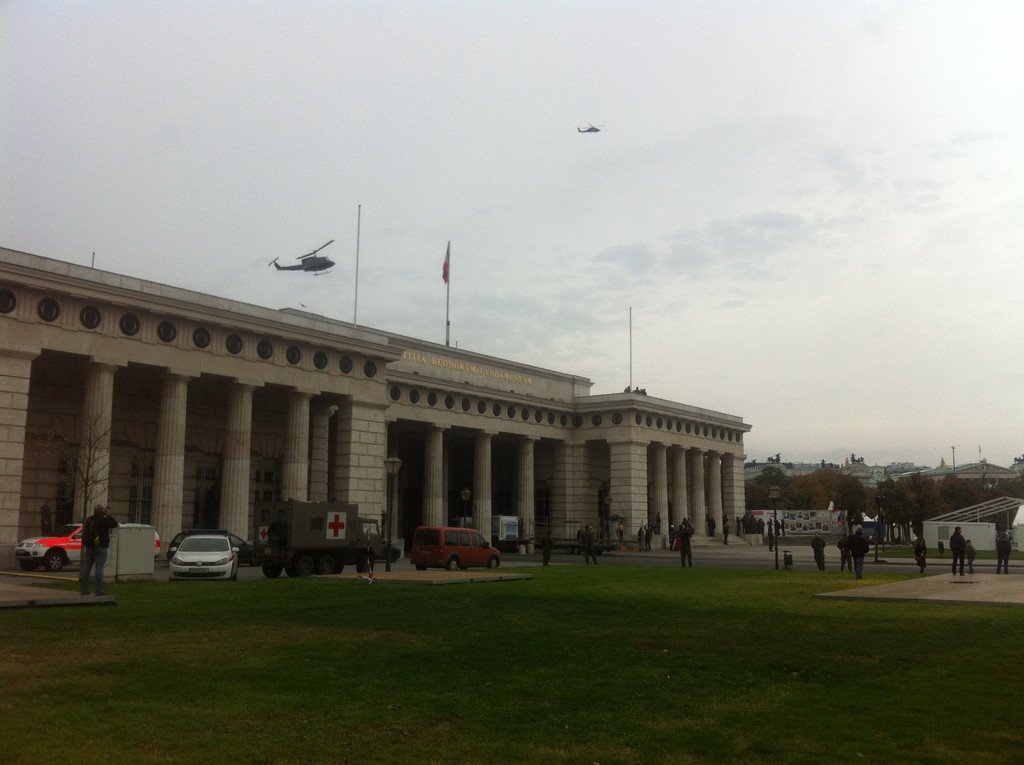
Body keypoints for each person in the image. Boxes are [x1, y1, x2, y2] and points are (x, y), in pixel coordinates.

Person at [80, 504, 119, 596]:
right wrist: (108, 515)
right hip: (101, 547)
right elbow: (115, 524)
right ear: (102, 512)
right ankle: (98, 590)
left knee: (86, 568)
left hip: (90, 546)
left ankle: (84, 589)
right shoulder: (104, 520)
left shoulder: (89, 519)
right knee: (99, 568)